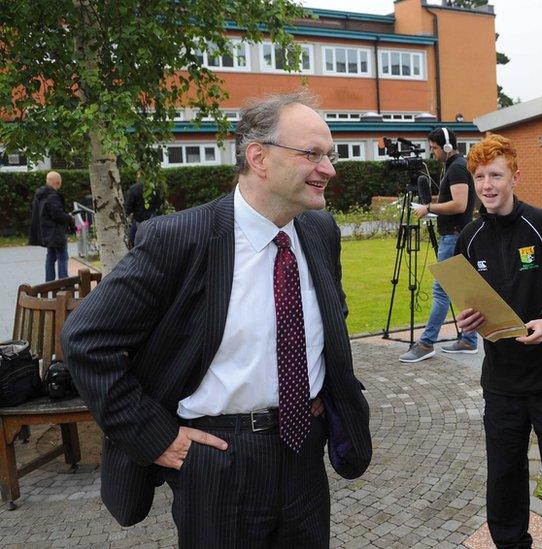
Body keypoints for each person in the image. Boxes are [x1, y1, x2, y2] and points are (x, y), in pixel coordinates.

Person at [61, 92, 372, 545]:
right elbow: (86, 340)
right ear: (258, 157)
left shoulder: (319, 231)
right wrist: (156, 436)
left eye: (330, 155)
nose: (329, 168)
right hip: (219, 460)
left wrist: (323, 387)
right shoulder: (180, 238)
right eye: (312, 154)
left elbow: (328, 317)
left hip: (304, 451)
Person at [454, 134, 542, 548]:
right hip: (502, 383)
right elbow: (469, 303)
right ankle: (511, 542)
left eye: (496, 175)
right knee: (503, 475)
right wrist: (466, 319)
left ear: (515, 176)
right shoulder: (471, 237)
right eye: (479, 177)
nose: (487, 185)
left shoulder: (541, 225)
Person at [398, 127, 478, 363]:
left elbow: (460, 204)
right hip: (454, 235)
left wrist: (429, 208)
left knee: (440, 291)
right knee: (464, 292)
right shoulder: (455, 166)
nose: (432, 152)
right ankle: (469, 340)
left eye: (434, 147)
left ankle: (426, 343)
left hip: (453, 238)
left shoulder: (457, 168)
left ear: (446, 146)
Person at [28, 171, 75, 281]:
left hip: (46, 233)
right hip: (56, 232)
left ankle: (49, 283)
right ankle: (64, 282)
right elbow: (57, 215)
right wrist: (69, 217)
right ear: (58, 182)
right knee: (63, 256)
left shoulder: (39, 195)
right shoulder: (52, 196)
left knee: (50, 257)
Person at [124, 176, 163, 246]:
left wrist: (128, 213)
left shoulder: (133, 189)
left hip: (139, 220)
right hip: (152, 219)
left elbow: (128, 208)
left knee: (133, 242)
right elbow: (158, 203)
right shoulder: (153, 188)